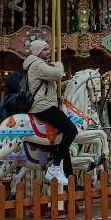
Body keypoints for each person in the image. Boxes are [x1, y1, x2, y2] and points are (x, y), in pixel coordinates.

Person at [23, 39, 76, 187]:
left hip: (46, 105)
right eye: (46, 50)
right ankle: (54, 167)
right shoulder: (37, 64)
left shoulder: (39, 64)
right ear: (38, 52)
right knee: (71, 130)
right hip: (43, 107)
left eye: (48, 49)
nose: (49, 52)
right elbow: (58, 74)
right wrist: (58, 63)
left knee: (63, 139)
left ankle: (69, 177)